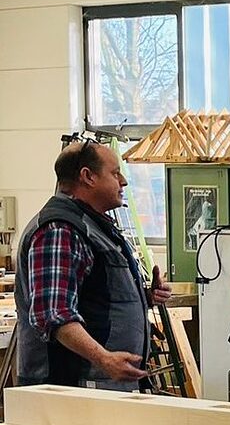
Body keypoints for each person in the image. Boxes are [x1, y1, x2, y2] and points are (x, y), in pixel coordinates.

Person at [15, 141, 172, 391]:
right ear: (87, 176)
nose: (123, 182)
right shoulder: (60, 229)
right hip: (72, 385)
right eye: (115, 173)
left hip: (102, 383)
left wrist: (145, 297)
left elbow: (94, 296)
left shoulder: (93, 225)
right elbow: (54, 315)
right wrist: (104, 359)